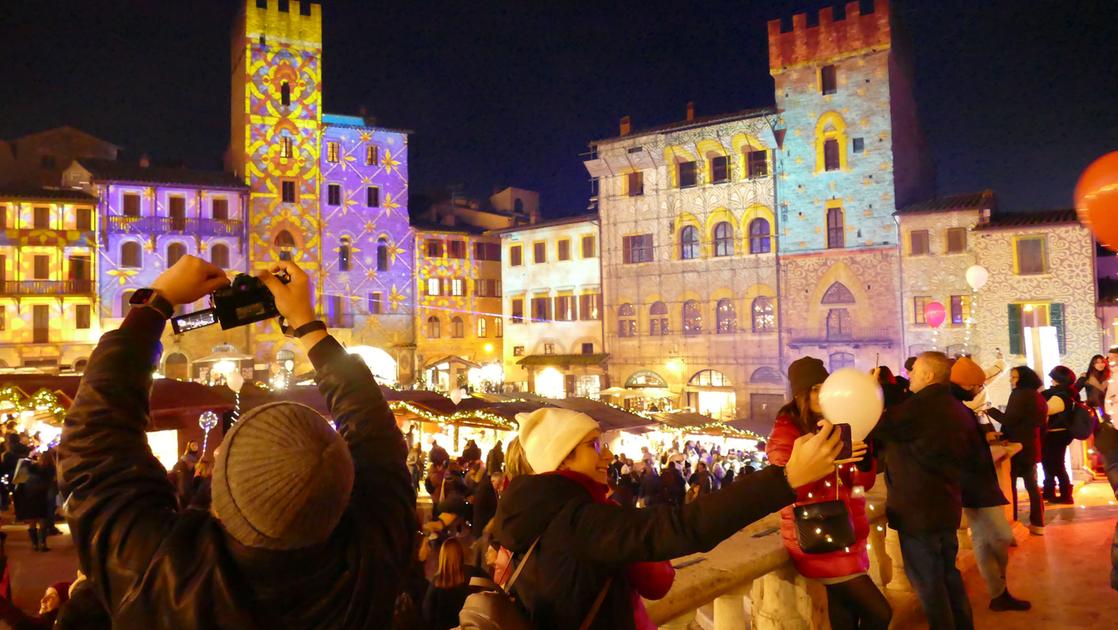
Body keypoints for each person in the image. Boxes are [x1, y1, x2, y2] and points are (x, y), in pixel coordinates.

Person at [57, 256, 415, 628]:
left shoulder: (155, 571)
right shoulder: (375, 561)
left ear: (220, 491)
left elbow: (94, 441)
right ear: (343, 488)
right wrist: (309, 328)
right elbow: (378, 438)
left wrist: (157, 300)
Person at [491, 406, 843, 629]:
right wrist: (785, 479)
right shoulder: (576, 520)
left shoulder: (537, 510)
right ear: (563, 459)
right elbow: (683, 528)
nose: (608, 454)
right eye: (594, 445)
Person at [770, 357, 890, 630]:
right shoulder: (785, 431)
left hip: (847, 533)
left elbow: (860, 483)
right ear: (800, 394)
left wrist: (861, 460)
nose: (821, 394)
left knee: (844, 616)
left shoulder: (836, 423)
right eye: (814, 388)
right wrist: (827, 462)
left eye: (824, 386)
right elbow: (786, 486)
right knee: (880, 613)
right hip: (819, 536)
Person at [870, 352, 974, 630]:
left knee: (928, 582)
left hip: (918, 511)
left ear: (929, 375)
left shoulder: (919, 407)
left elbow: (878, 426)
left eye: (914, 370)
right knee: (948, 575)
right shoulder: (957, 407)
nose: (910, 375)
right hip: (946, 505)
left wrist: (871, 393)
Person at [949, 357, 1031, 611]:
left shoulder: (962, 409)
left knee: (984, 541)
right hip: (972, 484)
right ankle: (999, 589)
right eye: (976, 386)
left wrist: (984, 435)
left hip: (980, 481)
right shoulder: (953, 410)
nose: (979, 390)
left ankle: (998, 593)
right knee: (999, 536)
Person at [988, 366, 1047, 534]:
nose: (1011, 380)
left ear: (1023, 378)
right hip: (1032, 444)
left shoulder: (1019, 394)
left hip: (1018, 445)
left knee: (1010, 484)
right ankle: (1038, 523)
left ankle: (1012, 520)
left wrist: (989, 410)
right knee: (1032, 486)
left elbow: (1009, 419)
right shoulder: (1038, 396)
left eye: (1014, 377)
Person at [1041, 366, 1078, 504]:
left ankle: (1065, 495)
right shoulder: (1070, 393)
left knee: (1056, 465)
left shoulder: (1059, 395)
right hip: (1059, 434)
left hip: (1056, 434)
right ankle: (1049, 492)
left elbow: (1046, 410)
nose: (1051, 380)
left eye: (1053, 377)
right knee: (1050, 463)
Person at [422, 537, 471, 630]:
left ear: (442, 556)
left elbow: (427, 612)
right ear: (460, 554)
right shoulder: (469, 578)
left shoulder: (436, 583)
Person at [0, 581, 70, 629]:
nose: (42, 600)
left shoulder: (45, 626)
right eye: (45, 595)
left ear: (63, 603)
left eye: (51, 597)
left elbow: (21, 622)